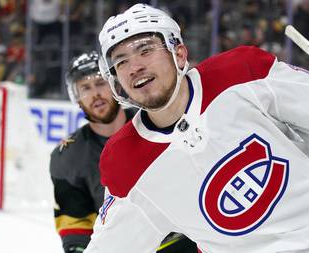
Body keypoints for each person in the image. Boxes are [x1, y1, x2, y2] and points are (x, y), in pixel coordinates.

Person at [84, 4, 309, 253]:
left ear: (179, 54)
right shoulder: (126, 163)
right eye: (121, 62)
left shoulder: (242, 72)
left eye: (146, 50)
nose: (135, 67)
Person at [49, 51, 198, 253]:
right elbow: (76, 225)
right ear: (76, 98)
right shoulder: (68, 156)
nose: (95, 94)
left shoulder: (156, 123)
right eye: (85, 88)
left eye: (100, 83)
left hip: (188, 240)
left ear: (114, 85)